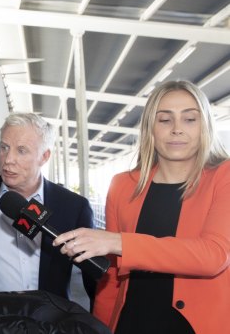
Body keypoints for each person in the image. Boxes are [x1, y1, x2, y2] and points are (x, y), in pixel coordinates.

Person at [53, 80, 230, 333]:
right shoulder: (123, 185)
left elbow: (214, 255)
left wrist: (118, 242)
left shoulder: (224, 176)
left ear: (205, 126)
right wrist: (101, 328)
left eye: (190, 119)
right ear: (150, 128)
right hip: (133, 321)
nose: (177, 129)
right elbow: (112, 277)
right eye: (165, 120)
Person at [0, 113, 96, 308]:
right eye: (4, 148)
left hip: (50, 322)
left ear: (44, 156)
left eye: (22, 150)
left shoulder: (74, 207)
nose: (8, 160)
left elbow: (93, 279)